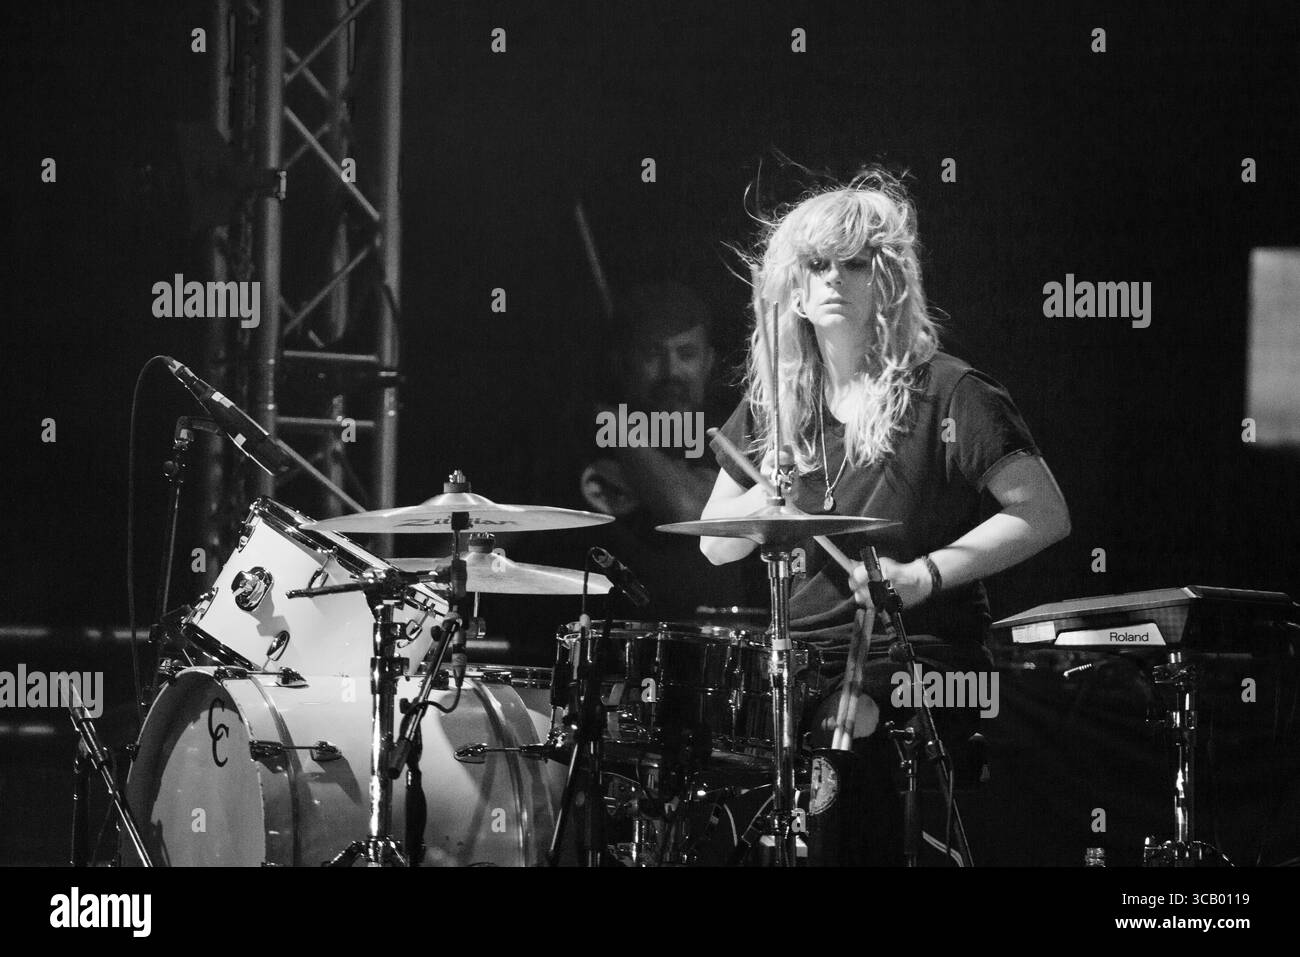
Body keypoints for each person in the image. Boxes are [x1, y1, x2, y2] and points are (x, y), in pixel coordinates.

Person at [700, 169, 1071, 862]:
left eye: (856, 263)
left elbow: (1044, 512)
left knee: (844, 731)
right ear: (795, 291)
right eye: (817, 265)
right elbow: (715, 547)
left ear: (888, 282)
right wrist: (761, 500)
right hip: (804, 658)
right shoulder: (775, 405)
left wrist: (926, 575)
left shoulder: (949, 391)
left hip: (916, 654)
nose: (835, 278)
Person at [579, 281, 755, 620]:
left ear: (709, 361)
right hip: (598, 634)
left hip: (709, 641)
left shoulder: (730, 429)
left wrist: (618, 429)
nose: (670, 371)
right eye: (652, 354)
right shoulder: (581, 431)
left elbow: (691, 508)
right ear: (623, 363)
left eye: (686, 354)